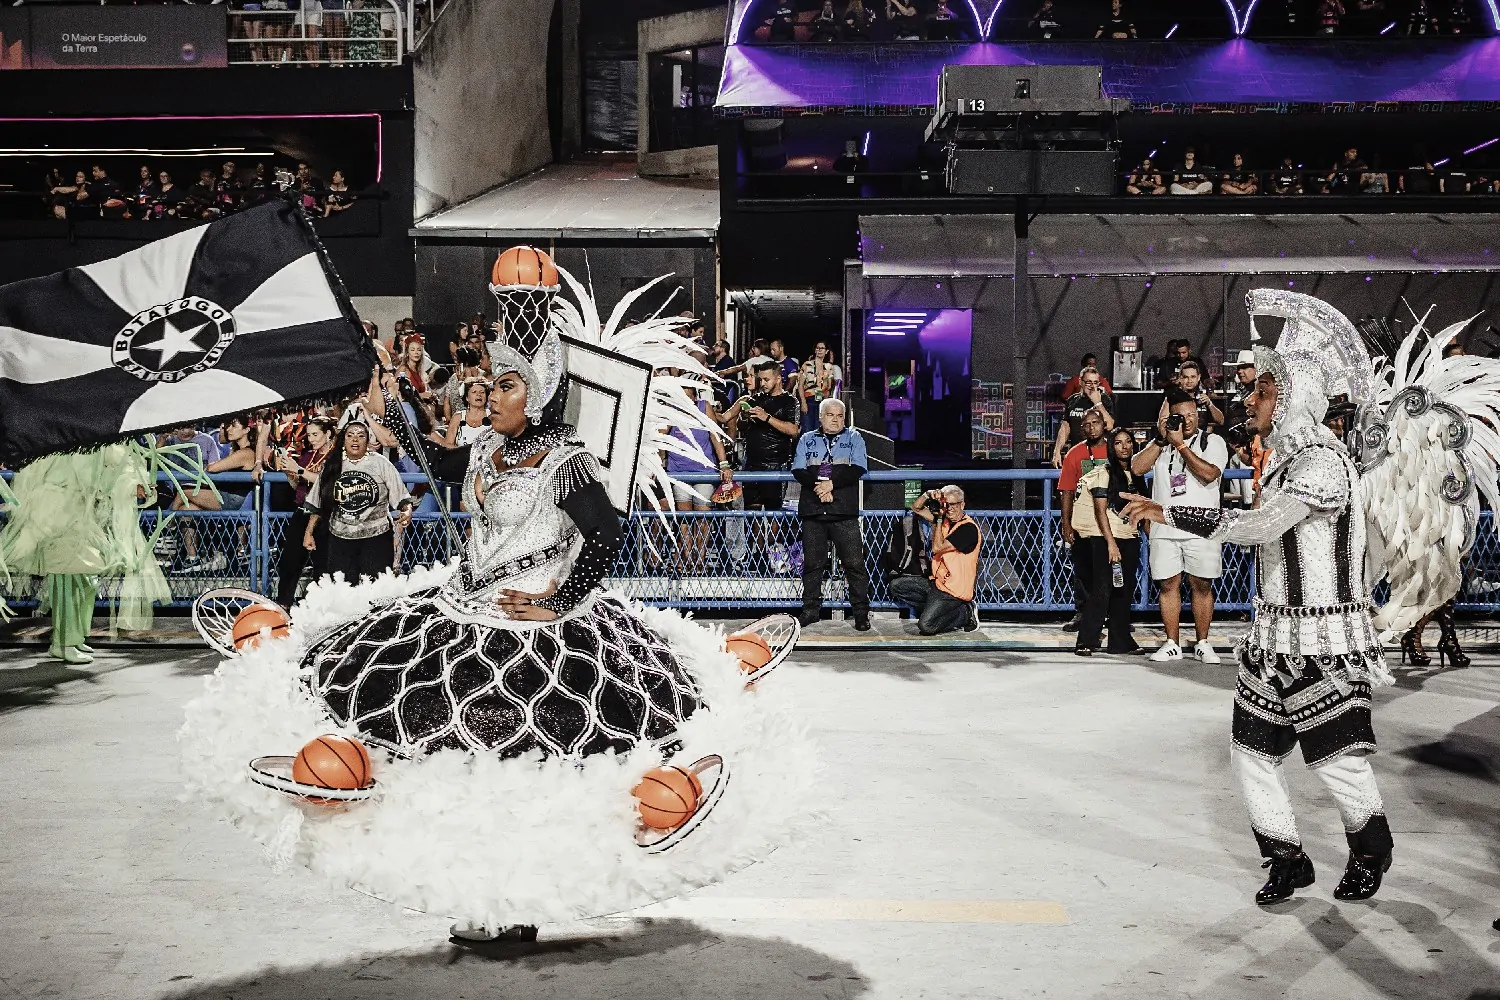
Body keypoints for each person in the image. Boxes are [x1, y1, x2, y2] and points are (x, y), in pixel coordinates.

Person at [182, 252, 813, 937]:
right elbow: (441, 458)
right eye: (491, 382)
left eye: (505, 385)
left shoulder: (567, 460)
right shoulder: (487, 447)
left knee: (527, 775)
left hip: (544, 644)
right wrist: (394, 399)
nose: (488, 393)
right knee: (451, 769)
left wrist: (557, 600)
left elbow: (606, 535)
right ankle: (476, 898)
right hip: (459, 618)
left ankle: (521, 906)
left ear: (535, 396)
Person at [1120, 287, 1467, 906]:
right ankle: (1286, 858)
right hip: (1273, 639)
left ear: (1291, 397)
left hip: (1324, 641)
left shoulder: (1323, 465)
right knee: (1250, 753)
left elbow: (1261, 526)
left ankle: (1372, 850)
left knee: (1337, 761)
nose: (1248, 401)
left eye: (1261, 391)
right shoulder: (1286, 463)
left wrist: (1169, 511)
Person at [0, 443, 179, 664]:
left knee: (85, 580)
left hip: (81, 518)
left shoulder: (88, 442)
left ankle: (75, 637)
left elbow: (106, 476)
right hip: (56, 518)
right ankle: (64, 643)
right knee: (67, 580)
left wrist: (133, 486)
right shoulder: (58, 443)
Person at [1132, 389, 1227, 663]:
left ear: (1198, 415)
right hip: (1164, 528)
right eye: (1180, 416)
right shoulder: (1162, 445)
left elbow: (1209, 475)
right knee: (1167, 584)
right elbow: (1137, 468)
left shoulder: (1212, 441)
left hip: (1201, 526)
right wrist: (1162, 440)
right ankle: (1171, 642)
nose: (1187, 421)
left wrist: (1182, 446)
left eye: (1191, 415)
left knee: (1202, 584)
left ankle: (1203, 642)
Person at [791, 397, 870, 630]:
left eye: (839, 416)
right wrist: (820, 487)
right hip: (813, 510)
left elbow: (858, 468)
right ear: (820, 417)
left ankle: (861, 614)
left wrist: (831, 485)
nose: (835, 420)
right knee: (812, 565)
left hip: (844, 511)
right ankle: (810, 611)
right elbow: (798, 470)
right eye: (830, 415)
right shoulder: (806, 438)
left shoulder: (855, 438)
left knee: (854, 564)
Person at [302, 419, 414, 583]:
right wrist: (309, 532)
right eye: (350, 435)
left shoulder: (381, 463)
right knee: (343, 589)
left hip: (376, 538)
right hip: (340, 539)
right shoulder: (333, 464)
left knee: (376, 588)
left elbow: (402, 497)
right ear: (343, 440)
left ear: (368, 441)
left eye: (361, 436)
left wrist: (407, 511)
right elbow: (317, 503)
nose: (355, 439)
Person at [1075, 427, 1147, 655]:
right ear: (1111, 447)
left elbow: (1144, 510)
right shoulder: (1104, 473)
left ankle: (1120, 642)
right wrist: (1111, 543)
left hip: (1130, 537)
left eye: (1128, 442)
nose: (1124, 447)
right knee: (1102, 590)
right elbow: (1100, 512)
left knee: (1124, 592)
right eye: (1118, 443)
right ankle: (1086, 640)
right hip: (1106, 539)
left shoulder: (1136, 474)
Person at [889, 485, 981, 635]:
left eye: (954, 504)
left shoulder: (968, 529)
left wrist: (937, 520)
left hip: (953, 592)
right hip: (937, 584)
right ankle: (935, 611)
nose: (950, 508)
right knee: (897, 586)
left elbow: (937, 547)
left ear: (962, 505)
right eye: (946, 504)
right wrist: (928, 494)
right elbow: (916, 508)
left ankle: (965, 613)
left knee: (926, 626)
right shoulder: (944, 519)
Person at [272, 415, 335, 607]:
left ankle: (321, 607)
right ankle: (283, 605)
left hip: (324, 514)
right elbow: (297, 486)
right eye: (309, 435)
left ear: (328, 433)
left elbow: (325, 482)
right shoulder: (308, 456)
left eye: (315, 434)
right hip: (302, 510)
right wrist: (289, 472)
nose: (311, 439)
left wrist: (299, 470)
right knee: (290, 562)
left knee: (322, 564)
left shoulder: (336, 456)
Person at [1057, 408, 1111, 633]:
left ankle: (1114, 616)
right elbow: (1067, 491)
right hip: (1083, 522)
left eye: (1095, 423)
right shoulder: (1075, 453)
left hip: (1112, 521)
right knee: (1083, 570)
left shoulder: (1115, 449)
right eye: (1087, 425)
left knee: (1113, 570)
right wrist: (1066, 524)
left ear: (1103, 424)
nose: (1091, 428)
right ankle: (1083, 613)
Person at [730, 359, 801, 516]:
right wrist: (743, 418)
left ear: (778, 378)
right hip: (751, 464)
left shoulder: (790, 401)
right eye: (760, 379)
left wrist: (767, 417)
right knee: (751, 515)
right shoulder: (755, 399)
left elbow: (794, 430)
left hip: (776, 465)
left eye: (766, 379)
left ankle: (774, 535)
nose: (762, 383)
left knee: (773, 513)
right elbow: (741, 426)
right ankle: (755, 535)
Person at [1052, 366, 1115, 468]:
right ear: (1080, 382)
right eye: (1089, 382)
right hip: (1078, 454)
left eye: (1095, 382)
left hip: (1099, 457)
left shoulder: (1104, 400)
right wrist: (1057, 451)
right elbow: (1065, 428)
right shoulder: (1072, 400)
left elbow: (1110, 426)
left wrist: (1098, 403)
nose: (1092, 386)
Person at [797, 341, 843, 433]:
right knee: (807, 429)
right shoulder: (807, 365)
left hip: (822, 401)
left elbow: (829, 387)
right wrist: (803, 402)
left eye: (822, 348)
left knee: (819, 429)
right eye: (817, 348)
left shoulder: (828, 367)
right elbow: (800, 385)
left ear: (826, 351)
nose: (819, 350)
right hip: (808, 400)